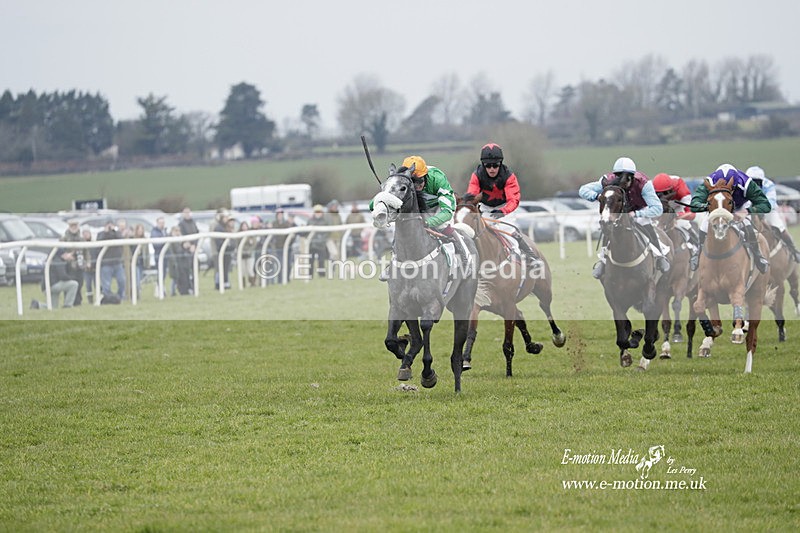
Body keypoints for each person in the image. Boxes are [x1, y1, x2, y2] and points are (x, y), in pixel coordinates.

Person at [370, 155, 461, 281]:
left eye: (420, 180)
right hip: (420, 208)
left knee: (442, 225)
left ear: (426, 175)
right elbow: (372, 204)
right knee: (403, 228)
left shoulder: (437, 178)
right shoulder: (401, 182)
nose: (417, 185)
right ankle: (393, 263)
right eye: (413, 181)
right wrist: (382, 198)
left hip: (440, 207)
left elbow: (447, 211)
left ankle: (462, 258)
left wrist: (428, 222)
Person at [579, 156, 670, 279]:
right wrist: (598, 196)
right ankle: (603, 259)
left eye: (626, 176)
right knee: (608, 224)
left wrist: (636, 214)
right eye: (619, 175)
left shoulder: (643, 184)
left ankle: (659, 256)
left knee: (644, 222)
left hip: (638, 211)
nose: (623, 180)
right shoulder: (607, 181)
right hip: (619, 213)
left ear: (633, 176)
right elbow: (583, 190)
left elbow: (657, 208)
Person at [689, 163, 771, 273]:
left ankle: (758, 256)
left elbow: (765, 205)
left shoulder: (747, 183)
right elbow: (694, 203)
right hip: (717, 208)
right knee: (704, 224)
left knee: (747, 225)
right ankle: (698, 253)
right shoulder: (710, 181)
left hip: (739, 207)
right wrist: (708, 206)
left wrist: (747, 211)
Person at [466, 142, 539, 266]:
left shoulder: (509, 176)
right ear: (483, 165)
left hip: (504, 208)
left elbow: (513, 200)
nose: (492, 169)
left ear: (500, 164)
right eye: (488, 166)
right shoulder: (477, 175)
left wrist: (503, 211)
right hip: (485, 208)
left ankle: (526, 256)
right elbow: (472, 196)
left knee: (508, 231)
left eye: (495, 165)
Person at [746, 165, 800, 262]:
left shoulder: (768, 185)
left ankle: (793, 250)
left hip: (769, 210)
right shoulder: (743, 185)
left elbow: (770, 203)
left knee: (779, 227)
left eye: (756, 181)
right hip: (751, 209)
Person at [651, 172, 699, 250]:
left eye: (665, 193)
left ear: (671, 190)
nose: (663, 196)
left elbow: (692, 214)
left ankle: (696, 245)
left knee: (683, 224)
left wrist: (676, 215)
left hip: (677, 206)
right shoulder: (650, 190)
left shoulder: (681, 191)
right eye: (659, 194)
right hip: (662, 207)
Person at [97, 220, 126, 302]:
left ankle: (120, 297)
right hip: (106, 263)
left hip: (117, 262)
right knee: (106, 284)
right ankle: (107, 299)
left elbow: (121, 239)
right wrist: (106, 233)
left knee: (122, 281)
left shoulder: (117, 233)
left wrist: (114, 231)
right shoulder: (101, 234)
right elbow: (99, 242)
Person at [60, 219, 86, 306]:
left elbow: (86, 252)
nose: (74, 227)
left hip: (80, 265)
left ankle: (78, 302)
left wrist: (87, 262)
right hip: (68, 266)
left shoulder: (81, 239)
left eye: (75, 225)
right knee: (70, 284)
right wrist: (67, 256)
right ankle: (69, 302)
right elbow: (60, 252)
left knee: (80, 284)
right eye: (72, 226)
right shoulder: (64, 239)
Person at [307, 204, 330, 278]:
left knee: (321, 261)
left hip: (321, 245)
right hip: (312, 244)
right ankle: (310, 275)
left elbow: (328, 232)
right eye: (316, 211)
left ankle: (322, 275)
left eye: (319, 211)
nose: (318, 213)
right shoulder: (310, 220)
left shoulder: (325, 221)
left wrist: (322, 239)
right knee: (310, 261)